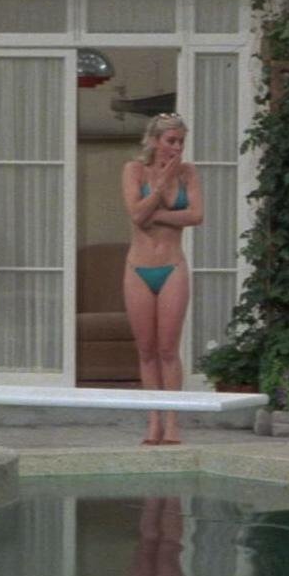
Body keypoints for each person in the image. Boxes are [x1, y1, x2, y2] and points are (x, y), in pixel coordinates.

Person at [123, 113, 205, 445]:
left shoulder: (188, 173)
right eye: (171, 141)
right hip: (138, 268)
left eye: (181, 142)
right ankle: (153, 421)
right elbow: (136, 215)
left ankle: (172, 423)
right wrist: (159, 188)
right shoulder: (134, 170)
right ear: (156, 141)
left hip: (172, 266)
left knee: (168, 349)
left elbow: (196, 215)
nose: (177, 148)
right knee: (146, 350)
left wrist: (157, 215)